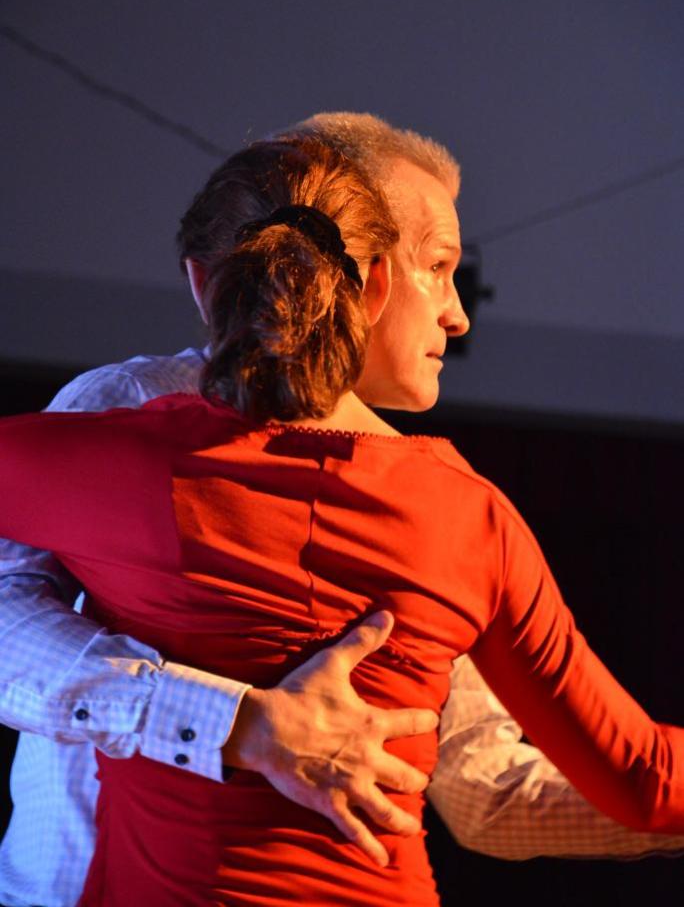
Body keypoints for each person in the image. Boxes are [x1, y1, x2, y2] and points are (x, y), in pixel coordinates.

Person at [0, 116, 682, 907]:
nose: (459, 315)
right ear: (367, 276)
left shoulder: (435, 504)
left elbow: (483, 790)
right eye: (438, 266)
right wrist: (234, 723)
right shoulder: (129, 412)